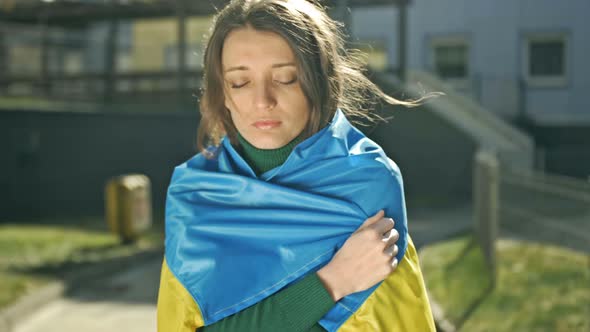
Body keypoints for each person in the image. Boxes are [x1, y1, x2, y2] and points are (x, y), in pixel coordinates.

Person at [157, 0, 438, 331]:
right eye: (240, 82)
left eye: (286, 78)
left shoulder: (366, 182)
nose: (263, 100)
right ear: (223, 94)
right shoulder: (194, 192)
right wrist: (333, 282)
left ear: (318, 83)